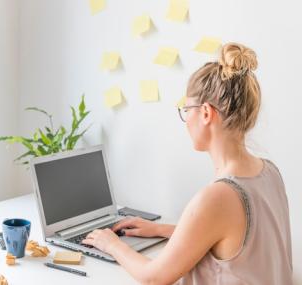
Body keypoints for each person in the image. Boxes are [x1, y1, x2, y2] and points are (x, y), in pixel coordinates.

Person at [82, 42, 293, 285]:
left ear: (205, 113)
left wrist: (112, 244)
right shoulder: (269, 172)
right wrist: (163, 230)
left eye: (186, 109)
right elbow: (233, 238)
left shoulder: (218, 196)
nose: (185, 119)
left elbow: (154, 277)